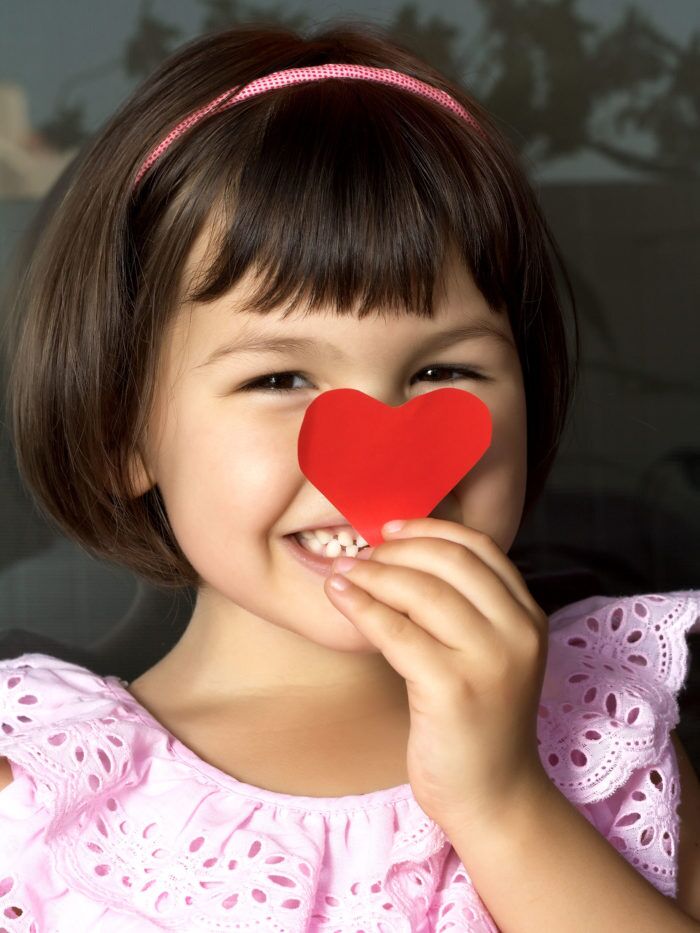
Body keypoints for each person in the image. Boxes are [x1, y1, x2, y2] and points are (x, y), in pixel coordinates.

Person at [0, 21, 698, 931]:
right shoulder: (39, 789)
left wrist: (503, 803)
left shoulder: (609, 732)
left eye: (445, 372)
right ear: (119, 431)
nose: (386, 453)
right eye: (280, 377)